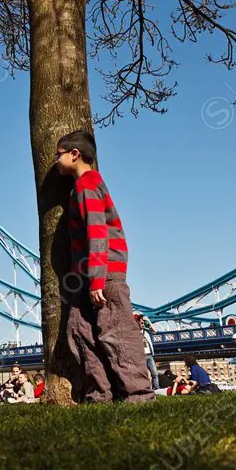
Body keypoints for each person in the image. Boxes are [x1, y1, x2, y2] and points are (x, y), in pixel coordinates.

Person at [56, 130, 154, 404]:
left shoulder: (88, 184)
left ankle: (138, 395)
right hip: (86, 275)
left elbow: (98, 233)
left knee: (116, 332)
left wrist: (97, 280)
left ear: (74, 154)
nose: (55, 161)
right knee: (79, 330)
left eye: (58, 154)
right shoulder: (81, 187)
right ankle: (100, 394)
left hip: (105, 272)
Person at [135, 313, 160, 390]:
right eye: (141, 322)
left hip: (149, 355)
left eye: (143, 323)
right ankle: (146, 390)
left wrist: (148, 321)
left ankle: (157, 389)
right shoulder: (134, 333)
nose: (143, 324)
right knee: (143, 375)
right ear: (137, 322)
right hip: (140, 356)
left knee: (155, 374)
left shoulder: (146, 331)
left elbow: (155, 331)